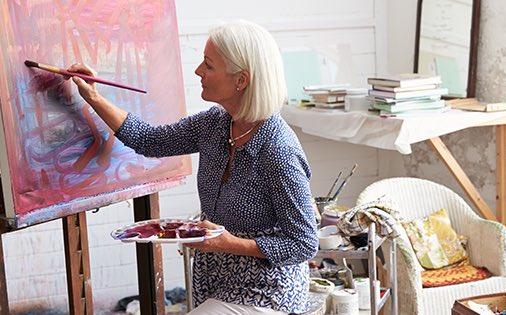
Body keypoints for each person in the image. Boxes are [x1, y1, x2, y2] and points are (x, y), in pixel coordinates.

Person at [67, 21, 318, 314]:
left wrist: (230, 243)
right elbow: (151, 141)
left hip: (268, 292)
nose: (198, 71)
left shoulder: (279, 151)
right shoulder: (215, 123)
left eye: (209, 65)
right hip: (216, 284)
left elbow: (303, 244)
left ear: (241, 80)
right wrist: (93, 96)